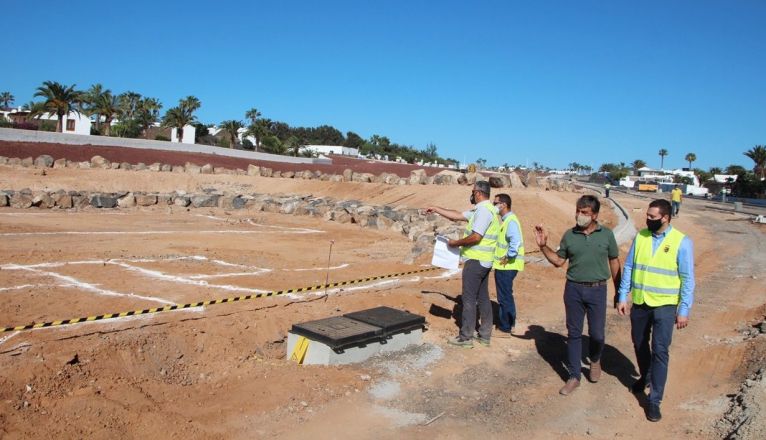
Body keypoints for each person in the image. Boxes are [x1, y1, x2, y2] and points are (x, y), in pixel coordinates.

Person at [534, 195, 621, 396]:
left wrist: (619, 291)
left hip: (598, 290)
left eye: (585, 213)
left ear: (595, 215)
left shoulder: (606, 235)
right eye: (578, 211)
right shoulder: (569, 235)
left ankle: (595, 359)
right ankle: (574, 376)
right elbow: (558, 261)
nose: (579, 216)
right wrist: (543, 245)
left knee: (597, 334)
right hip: (573, 289)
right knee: (574, 333)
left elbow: (614, 262)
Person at [616, 199, 694, 422]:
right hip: (640, 302)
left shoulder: (682, 242)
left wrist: (684, 309)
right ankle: (646, 375)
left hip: (665, 305)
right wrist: (623, 296)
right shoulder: (641, 237)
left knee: (660, 350)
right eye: (647, 216)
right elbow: (630, 266)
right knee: (639, 344)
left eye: (652, 217)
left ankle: (654, 400)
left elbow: (688, 278)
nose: (647, 220)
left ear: (665, 218)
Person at [425, 181, 500, 348]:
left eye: (473, 192)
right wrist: (436, 208)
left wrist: (456, 243)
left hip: (476, 261)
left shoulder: (483, 211)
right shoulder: (482, 210)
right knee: (482, 297)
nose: (472, 195)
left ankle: (465, 337)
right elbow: (456, 215)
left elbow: (476, 237)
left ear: (479, 193)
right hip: (483, 261)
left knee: (468, 298)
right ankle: (484, 335)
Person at [492, 193, 524, 336]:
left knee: (504, 297)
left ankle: (506, 327)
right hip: (505, 266)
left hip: (507, 266)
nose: (494, 206)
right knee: (505, 296)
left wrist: (508, 257)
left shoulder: (510, 221)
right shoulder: (506, 220)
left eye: (495, 203)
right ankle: (509, 323)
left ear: (503, 205)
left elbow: (515, 242)